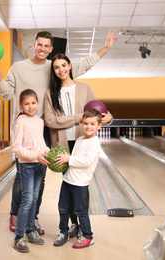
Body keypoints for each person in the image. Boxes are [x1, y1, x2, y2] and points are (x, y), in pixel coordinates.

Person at [0, 29, 119, 234]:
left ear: (51, 49)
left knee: (41, 179)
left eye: (46, 46)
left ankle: (33, 218)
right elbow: (7, 94)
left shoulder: (54, 67)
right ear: (34, 45)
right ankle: (15, 215)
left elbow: (82, 64)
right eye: (39, 44)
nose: (42, 49)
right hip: (28, 129)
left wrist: (106, 48)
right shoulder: (19, 67)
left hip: (50, 130)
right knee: (23, 177)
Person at [44, 53, 112, 239]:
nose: (61, 70)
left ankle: (80, 225)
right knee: (68, 182)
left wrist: (110, 117)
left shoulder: (84, 88)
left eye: (63, 65)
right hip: (63, 144)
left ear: (70, 65)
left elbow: (98, 111)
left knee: (81, 184)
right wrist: (78, 117)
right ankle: (74, 224)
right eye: (56, 67)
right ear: (53, 70)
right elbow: (50, 121)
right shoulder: (50, 93)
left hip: (83, 140)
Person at [53, 109, 103, 248]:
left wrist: (68, 159)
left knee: (80, 211)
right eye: (86, 123)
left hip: (80, 184)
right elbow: (73, 160)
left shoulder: (94, 143)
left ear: (99, 126)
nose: (88, 126)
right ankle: (63, 233)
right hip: (67, 180)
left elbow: (86, 161)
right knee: (62, 208)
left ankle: (88, 236)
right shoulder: (80, 139)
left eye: (92, 124)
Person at [11, 89, 50, 253]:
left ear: (38, 103)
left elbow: (39, 143)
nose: (30, 106)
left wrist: (49, 151)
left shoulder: (39, 121)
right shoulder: (21, 122)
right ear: (21, 105)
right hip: (27, 165)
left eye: (33, 103)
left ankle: (30, 231)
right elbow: (17, 148)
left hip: (39, 164)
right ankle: (19, 238)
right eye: (26, 104)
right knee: (27, 199)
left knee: (34, 198)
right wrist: (35, 155)